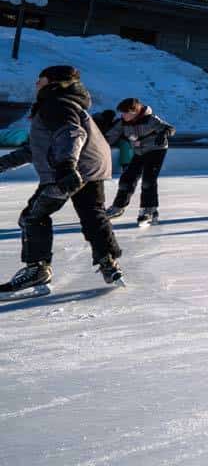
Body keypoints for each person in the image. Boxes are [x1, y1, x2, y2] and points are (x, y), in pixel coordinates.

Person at [0, 66, 123, 295]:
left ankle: (36, 270)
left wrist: (66, 166)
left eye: (41, 80)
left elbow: (71, 133)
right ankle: (108, 261)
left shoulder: (55, 103)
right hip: (90, 168)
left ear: (54, 82)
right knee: (92, 215)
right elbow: (36, 149)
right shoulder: (69, 102)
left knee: (32, 216)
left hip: (67, 169)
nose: (36, 84)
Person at [104, 98, 175, 226]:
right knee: (127, 178)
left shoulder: (151, 119)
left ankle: (149, 211)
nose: (123, 115)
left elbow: (170, 128)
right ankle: (118, 207)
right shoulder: (122, 123)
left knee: (148, 180)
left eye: (125, 113)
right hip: (139, 152)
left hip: (156, 150)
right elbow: (109, 137)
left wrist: (164, 133)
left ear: (134, 112)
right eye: (122, 113)